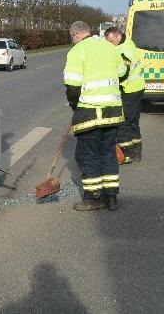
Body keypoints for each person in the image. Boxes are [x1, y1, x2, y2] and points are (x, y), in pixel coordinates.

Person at [64, 21, 126, 211]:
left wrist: (76, 107)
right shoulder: (109, 47)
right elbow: (123, 72)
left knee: (87, 156)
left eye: (72, 38)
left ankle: (93, 198)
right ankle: (112, 197)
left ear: (75, 35)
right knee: (107, 154)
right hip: (113, 112)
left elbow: (73, 87)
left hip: (90, 112)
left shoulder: (76, 51)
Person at [104, 26, 145, 163]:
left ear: (117, 36)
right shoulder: (128, 42)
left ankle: (126, 154)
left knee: (123, 121)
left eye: (111, 41)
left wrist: (111, 82)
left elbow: (124, 73)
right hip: (136, 87)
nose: (110, 44)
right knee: (133, 121)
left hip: (129, 89)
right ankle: (136, 151)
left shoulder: (123, 51)